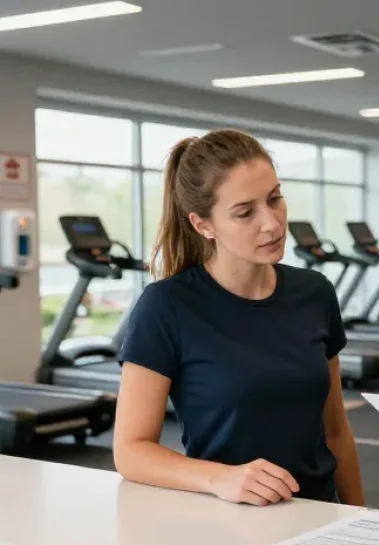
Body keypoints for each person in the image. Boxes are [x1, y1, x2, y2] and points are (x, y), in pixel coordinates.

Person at [113, 128, 365, 508]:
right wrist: (221, 478)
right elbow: (131, 451)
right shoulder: (167, 306)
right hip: (228, 517)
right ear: (203, 225)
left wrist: (359, 516)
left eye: (275, 199)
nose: (272, 223)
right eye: (245, 212)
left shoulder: (315, 292)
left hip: (319, 514)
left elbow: (335, 431)